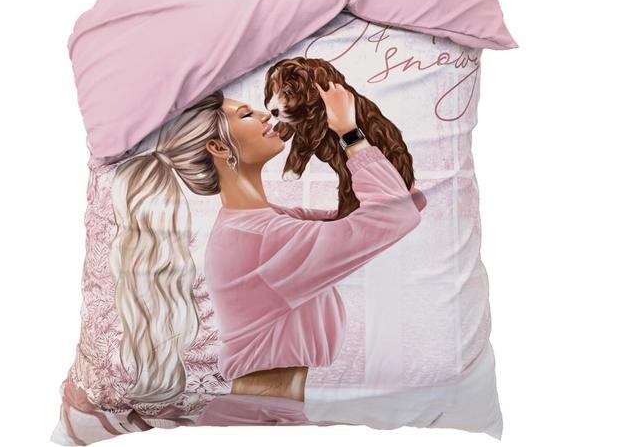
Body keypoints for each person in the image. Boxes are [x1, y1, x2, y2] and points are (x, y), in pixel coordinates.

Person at [109, 82, 425, 406]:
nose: (264, 115)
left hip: (267, 411)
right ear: (219, 147)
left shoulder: (257, 225)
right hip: (263, 414)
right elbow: (392, 216)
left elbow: (399, 205)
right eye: (246, 115)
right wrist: (348, 131)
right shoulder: (263, 238)